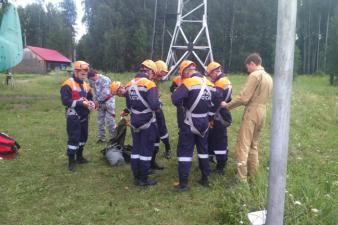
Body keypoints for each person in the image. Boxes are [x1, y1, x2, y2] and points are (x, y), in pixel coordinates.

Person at [221, 53, 273, 181]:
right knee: (254, 145)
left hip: (252, 111)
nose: (247, 70)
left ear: (252, 63)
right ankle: (253, 175)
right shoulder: (268, 77)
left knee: (243, 145)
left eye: (248, 67)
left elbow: (244, 98)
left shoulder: (254, 75)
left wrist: (227, 105)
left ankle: (241, 178)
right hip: (263, 111)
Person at [171, 60, 216, 191]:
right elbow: (217, 99)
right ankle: (205, 178)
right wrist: (210, 116)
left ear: (186, 71)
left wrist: (184, 102)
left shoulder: (188, 83)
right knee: (203, 150)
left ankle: (183, 183)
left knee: (185, 152)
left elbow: (175, 99)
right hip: (204, 122)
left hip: (189, 122)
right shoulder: (210, 84)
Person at [125, 59, 161, 186]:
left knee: (136, 149)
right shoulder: (149, 84)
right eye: (154, 73)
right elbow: (153, 105)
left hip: (134, 121)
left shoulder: (129, 84)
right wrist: (157, 102)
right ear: (150, 71)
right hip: (148, 122)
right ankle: (144, 179)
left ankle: (136, 177)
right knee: (146, 150)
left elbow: (128, 106)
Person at [60, 60, 95, 171]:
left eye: (85, 72)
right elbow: (65, 101)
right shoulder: (67, 84)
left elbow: (90, 97)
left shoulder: (86, 84)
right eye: (82, 71)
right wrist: (81, 103)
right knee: (74, 138)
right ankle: (71, 161)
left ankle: (79, 156)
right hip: (73, 116)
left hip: (84, 115)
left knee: (83, 137)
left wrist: (92, 103)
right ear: (75, 71)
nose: (84, 73)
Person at [206, 62, 232, 175]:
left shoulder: (220, 83)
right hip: (222, 112)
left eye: (210, 74)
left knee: (219, 139)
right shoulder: (225, 80)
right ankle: (215, 158)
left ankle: (220, 167)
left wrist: (210, 116)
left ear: (214, 72)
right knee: (218, 138)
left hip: (218, 115)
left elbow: (216, 101)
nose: (210, 77)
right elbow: (229, 99)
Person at [87, 70, 116, 143]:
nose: (92, 80)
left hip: (108, 102)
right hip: (100, 103)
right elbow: (94, 91)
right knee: (100, 121)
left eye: (93, 78)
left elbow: (105, 94)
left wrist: (97, 102)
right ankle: (101, 139)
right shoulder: (92, 81)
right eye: (91, 79)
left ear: (96, 74)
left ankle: (113, 139)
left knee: (110, 121)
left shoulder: (105, 79)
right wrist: (94, 101)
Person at [153, 60, 171, 160]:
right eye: (162, 73)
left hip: (157, 108)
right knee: (154, 130)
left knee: (162, 128)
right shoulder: (150, 79)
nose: (162, 76)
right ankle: (155, 150)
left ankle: (168, 149)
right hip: (150, 109)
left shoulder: (156, 79)